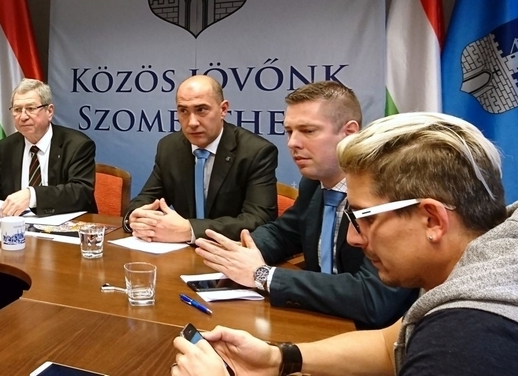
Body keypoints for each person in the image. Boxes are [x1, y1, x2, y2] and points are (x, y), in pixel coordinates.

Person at [171, 112, 518, 376]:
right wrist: (280, 358)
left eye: (365, 217)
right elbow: (388, 345)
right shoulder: (490, 254)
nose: (353, 237)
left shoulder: (464, 340)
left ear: (433, 220)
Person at [194, 82, 415, 328]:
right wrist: (240, 251)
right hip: (318, 319)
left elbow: (373, 297)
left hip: (376, 336)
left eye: (308, 131)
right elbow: (283, 233)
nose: (292, 143)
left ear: (350, 133)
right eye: (289, 131)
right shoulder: (313, 184)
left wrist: (263, 275)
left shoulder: (388, 192)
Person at [0, 78, 96, 310]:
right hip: (18, 235)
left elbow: (81, 192)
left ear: (49, 111)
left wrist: (32, 195)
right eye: (17, 110)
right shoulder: (8, 145)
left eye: (30, 108)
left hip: (64, 238)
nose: (23, 116)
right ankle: (7, 326)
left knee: (56, 289)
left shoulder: (77, 144)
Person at [124, 75, 278, 243]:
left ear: (223, 109)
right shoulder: (169, 147)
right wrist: (135, 217)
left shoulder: (256, 152)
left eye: (201, 110)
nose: (192, 122)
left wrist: (190, 230)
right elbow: (147, 198)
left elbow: (259, 220)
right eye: (183, 111)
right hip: (178, 252)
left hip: (228, 251)